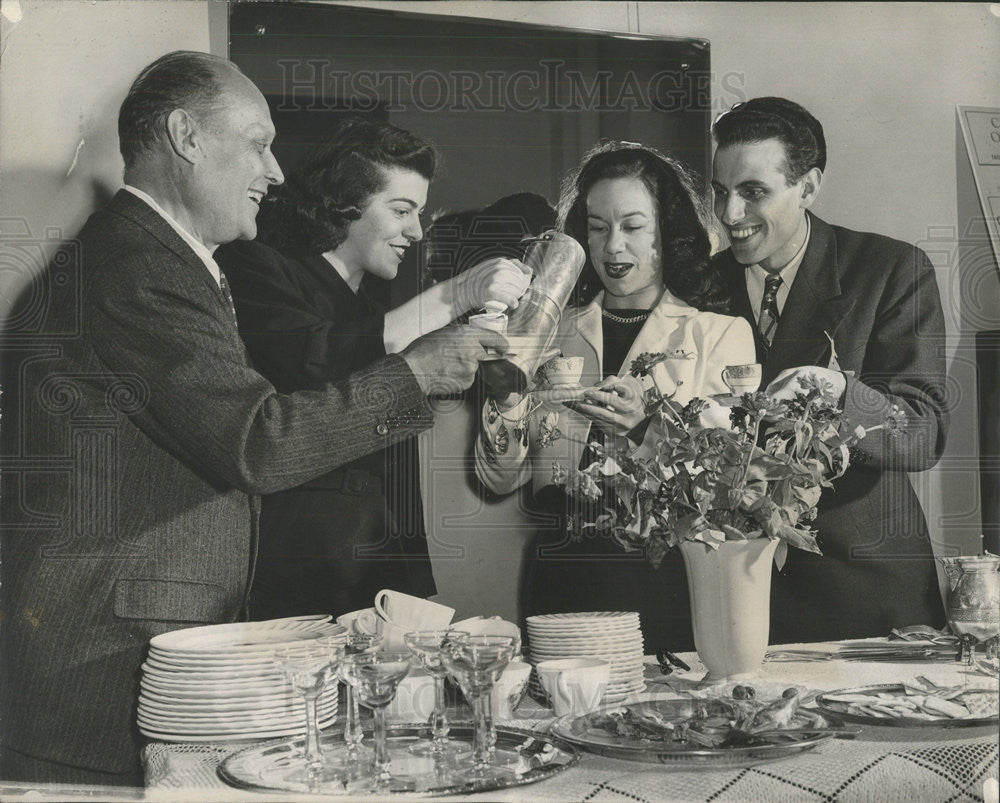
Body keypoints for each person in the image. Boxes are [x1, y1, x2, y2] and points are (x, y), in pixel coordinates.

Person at [0, 51, 507, 786]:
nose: (274, 171)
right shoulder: (136, 266)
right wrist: (420, 372)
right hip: (96, 671)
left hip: (130, 653)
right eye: (258, 143)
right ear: (186, 135)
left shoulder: (164, 259)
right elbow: (256, 444)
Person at [215, 120, 532, 618]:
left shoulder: (373, 308)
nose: (417, 231)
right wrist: (458, 293)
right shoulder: (255, 266)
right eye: (402, 210)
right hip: (298, 578)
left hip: (379, 574)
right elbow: (316, 358)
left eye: (420, 213)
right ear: (344, 205)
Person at [475, 142, 755, 650]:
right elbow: (498, 478)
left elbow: (731, 479)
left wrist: (646, 428)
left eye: (632, 226)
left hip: (664, 567)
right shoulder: (546, 332)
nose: (612, 247)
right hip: (561, 567)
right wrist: (505, 393)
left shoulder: (717, 333)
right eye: (597, 228)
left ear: (666, 232)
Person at [710, 97, 948, 642]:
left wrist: (841, 393)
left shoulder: (891, 270)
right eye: (721, 191)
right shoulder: (701, 282)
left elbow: (923, 434)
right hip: (738, 591)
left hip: (864, 590)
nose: (730, 215)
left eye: (753, 192)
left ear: (809, 187)